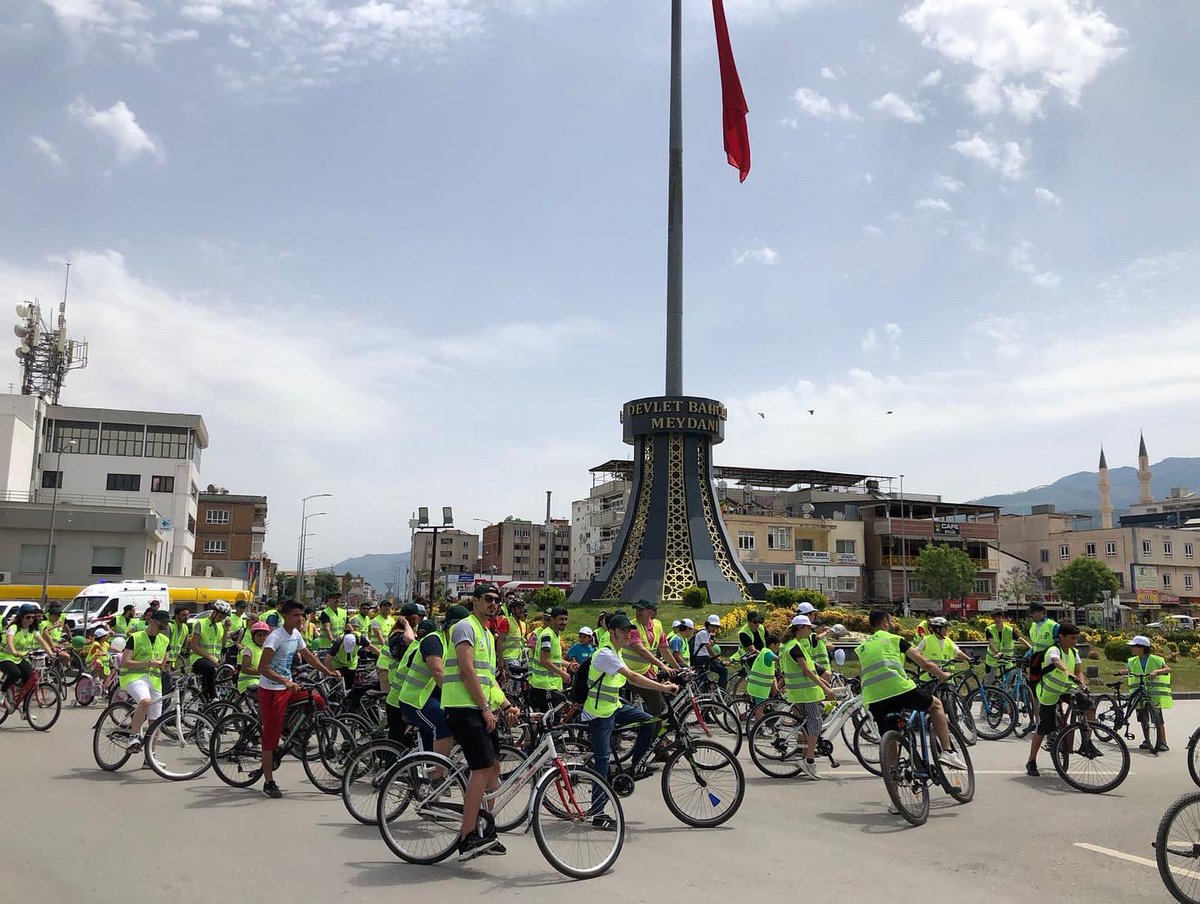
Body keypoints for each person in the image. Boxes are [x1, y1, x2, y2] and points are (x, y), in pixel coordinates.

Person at [441, 584, 521, 861]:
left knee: (495, 766)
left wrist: (507, 704)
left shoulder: (487, 632)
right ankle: (467, 836)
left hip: (479, 706)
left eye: (497, 600)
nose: (493, 603)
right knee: (482, 767)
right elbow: (466, 670)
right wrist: (486, 708)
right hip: (462, 707)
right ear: (474, 601)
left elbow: (488, 679)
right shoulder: (466, 627)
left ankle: (486, 828)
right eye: (487, 598)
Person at [581, 612, 679, 830]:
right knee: (602, 761)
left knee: (650, 722)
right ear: (612, 631)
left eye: (629, 630)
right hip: (599, 713)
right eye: (623, 630)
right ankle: (598, 814)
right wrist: (663, 688)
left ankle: (634, 767)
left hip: (614, 706)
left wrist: (660, 675)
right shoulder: (606, 654)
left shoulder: (618, 651)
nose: (627, 633)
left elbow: (632, 676)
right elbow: (632, 677)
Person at [854, 610, 966, 772]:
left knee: (890, 733)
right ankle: (948, 752)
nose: (893, 623)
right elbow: (925, 663)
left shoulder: (862, 647)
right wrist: (942, 675)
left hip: (873, 698)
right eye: (891, 620)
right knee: (936, 705)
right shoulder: (894, 639)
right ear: (885, 622)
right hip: (898, 688)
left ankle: (893, 773)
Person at [257, 600, 340, 799]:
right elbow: (263, 667)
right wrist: (284, 681)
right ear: (285, 616)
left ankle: (293, 730)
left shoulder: (296, 635)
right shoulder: (275, 637)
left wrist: (328, 671)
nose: (300, 618)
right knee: (270, 739)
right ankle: (269, 782)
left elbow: (309, 657)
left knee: (318, 700)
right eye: (296, 615)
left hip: (289, 687)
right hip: (272, 690)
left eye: (302, 615)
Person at [1025, 622, 1098, 776]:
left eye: (1076, 638)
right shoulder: (1053, 650)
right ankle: (1031, 761)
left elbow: (1079, 671)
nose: (1075, 641)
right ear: (1061, 637)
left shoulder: (1074, 651)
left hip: (1067, 688)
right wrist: (1066, 671)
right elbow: (1056, 661)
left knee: (1089, 707)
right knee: (1044, 727)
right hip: (1049, 692)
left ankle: (1087, 743)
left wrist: (1082, 684)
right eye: (1072, 638)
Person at [781, 616, 838, 778]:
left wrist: (825, 685)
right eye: (808, 627)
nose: (810, 630)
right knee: (816, 721)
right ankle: (809, 760)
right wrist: (824, 687)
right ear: (800, 628)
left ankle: (806, 755)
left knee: (808, 723)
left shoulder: (793, 645)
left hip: (800, 692)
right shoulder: (795, 647)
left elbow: (810, 671)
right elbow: (806, 672)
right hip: (806, 693)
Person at [396, 613, 458, 758]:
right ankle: (439, 772)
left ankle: (430, 766)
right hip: (416, 700)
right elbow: (438, 672)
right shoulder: (434, 641)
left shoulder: (453, 645)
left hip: (429, 698)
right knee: (443, 725)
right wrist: (453, 697)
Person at [118, 610, 172, 751]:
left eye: (165, 627)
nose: (163, 629)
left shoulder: (165, 640)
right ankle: (134, 736)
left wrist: (166, 667)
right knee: (145, 701)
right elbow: (125, 662)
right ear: (152, 621)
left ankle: (150, 758)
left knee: (155, 721)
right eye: (161, 626)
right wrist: (148, 663)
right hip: (133, 677)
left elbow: (166, 662)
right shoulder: (135, 637)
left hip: (154, 680)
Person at [1118, 635, 1171, 753]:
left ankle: (1163, 742)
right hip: (1139, 693)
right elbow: (1129, 670)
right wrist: (1123, 671)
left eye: (1133, 646)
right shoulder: (1132, 661)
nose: (1131, 648)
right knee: (1143, 718)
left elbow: (1167, 669)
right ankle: (1147, 740)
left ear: (1141, 648)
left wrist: (1157, 671)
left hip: (1153, 694)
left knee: (1158, 719)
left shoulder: (1156, 659)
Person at [623, 601, 676, 716]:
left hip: (648, 672)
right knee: (655, 695)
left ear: (650, 612)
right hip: (630, 673)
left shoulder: (657, 625)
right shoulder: (632, 627)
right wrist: (662, 665)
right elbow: (641, 650)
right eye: (637, 610)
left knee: (661, 700)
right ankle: (653, 729)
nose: (638, 613)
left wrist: (678, 668)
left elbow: (664, 649)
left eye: (641, 610)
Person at [1, 604, 54, 702]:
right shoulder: (13, 627)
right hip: (5, 657)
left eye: (33, 617)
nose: (31, 619)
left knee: (30, 679)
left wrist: (51, 653)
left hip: (20, 658)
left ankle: (25, 710)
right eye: (28, 617)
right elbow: (9, 642)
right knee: (15, 673)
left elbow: (42, 642)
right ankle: (3, 692)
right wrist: (14, 651)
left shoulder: (32, 629)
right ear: (21, 617)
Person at [529, 605, 572, 711]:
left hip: (550, 684)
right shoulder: (547, 636)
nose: (564, 622)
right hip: (544, 685)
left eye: (566, 619)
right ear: (552, 620)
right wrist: (563, 673)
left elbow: (554, 659)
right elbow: (544, 661)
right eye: (560, 619)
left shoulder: (554, 635)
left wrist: (569, 665)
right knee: (549, 723)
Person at [189, 601, 230, 701]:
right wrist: (210, 657)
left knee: (208, 682)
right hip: (198, 658)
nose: (221, 618)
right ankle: (213, 697)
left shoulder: (220, 625)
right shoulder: (201, 624)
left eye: (224, 617)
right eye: (220, 615)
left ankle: (204, 705)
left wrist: (225, 630)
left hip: (213, 661)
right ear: (214, 612)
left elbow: (223, 644)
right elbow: (194, 646)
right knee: (209, 668)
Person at [984, 611, 1029, 682]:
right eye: (995, 618)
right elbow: (991, 643)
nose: (997, 620)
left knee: (1008, 681)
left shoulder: (1009, 630)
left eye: (999, 618)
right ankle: (988, 692)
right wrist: (996, 652)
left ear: (1003, 619)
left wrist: (1030, 647)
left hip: (1006, 659)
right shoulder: (989, 629)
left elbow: (1019, 639)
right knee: (989, 681)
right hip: (993, 659)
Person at [746, 633, 781, 713]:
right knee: (759, 709)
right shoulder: (768, 653)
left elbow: (770, 673)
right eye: (778, 646)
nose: (778, 648)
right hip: (759, 687)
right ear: (772, 644)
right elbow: (779, 660)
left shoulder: (764, 651)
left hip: (758, 686)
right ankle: (759, 725)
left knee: (760, 706)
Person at [692, 614, 727, 690]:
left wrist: (712, 643)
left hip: (701, 658)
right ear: (708, 624)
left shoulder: (706, 633)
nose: (715, 628)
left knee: (704, 681)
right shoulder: (703, 633)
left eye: (717, 626)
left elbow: (706, 648)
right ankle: (721, 693)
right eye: (713, 626)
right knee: (723, 671)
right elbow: (709, 650)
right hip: (702, 658)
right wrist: (720, 660)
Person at [496, 598, 530, 673]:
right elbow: (500, 642)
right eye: (519, 608)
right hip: (509, 658)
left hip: (519, 658)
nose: (522, 610)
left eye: (522, 608)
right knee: (515, 683)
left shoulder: (523, 624)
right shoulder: (506, 621)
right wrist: (500, 660)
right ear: (512, 610)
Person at [237, 622, 271, 697]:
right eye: (259, 635)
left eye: (264, 635)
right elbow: (245, 669)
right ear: (253, 636)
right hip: (249, 681)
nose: (262, 638)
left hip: (262, 680)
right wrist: (262, 672)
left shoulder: (267, 648)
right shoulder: (249, 649)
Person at [317, 592, 349, 661]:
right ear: (329, 600)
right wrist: (333, 642)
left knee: (338, 668)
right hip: (327, 646)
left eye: (338, 598)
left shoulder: (343, 612)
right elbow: (327, 628)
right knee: (326, 669)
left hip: (340, 646)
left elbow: (348, 626)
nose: (337, 600)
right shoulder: (325, 612)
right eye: (334, 598)